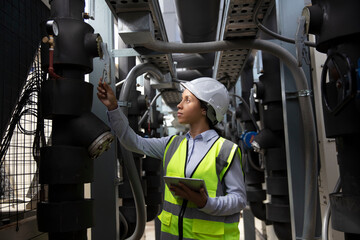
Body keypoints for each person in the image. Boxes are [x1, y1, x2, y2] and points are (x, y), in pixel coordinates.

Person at [97, 77, 246, 240]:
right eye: (181, 99)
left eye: (187, 100)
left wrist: (206, 203)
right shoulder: (172, 144)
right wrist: (113, 108)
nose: (179, 105)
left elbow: (238, 200)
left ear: (205, 109)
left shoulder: (225, 150)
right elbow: (132, 141)